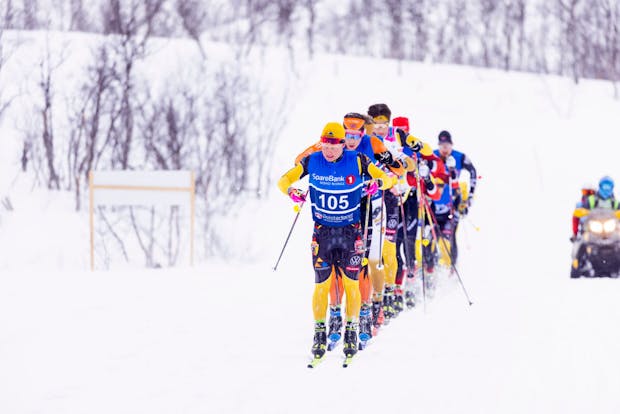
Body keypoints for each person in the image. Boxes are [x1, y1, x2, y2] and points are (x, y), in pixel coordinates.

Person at [278, 121, 395, 360]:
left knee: (351, 284)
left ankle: (351, 329)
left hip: (351, 234)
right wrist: (292, 193)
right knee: (321, 284)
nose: (329, 150)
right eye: (325, 144)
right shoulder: (312, 161)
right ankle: (320, 331)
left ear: (343, 144)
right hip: (322, 233)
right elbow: (283, 181)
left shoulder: (359, 160)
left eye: (334, 145)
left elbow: (387, 179)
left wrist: (379, 182)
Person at [432, 130, 477, 267]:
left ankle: (451, 267)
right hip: (434, 206)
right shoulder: (432, 156)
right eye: (441, 145)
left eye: (447, 145)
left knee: (448, 237)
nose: (444, 149)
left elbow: (473, 172)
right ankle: (431, 267)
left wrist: (470, 195)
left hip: (452, 205)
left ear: (451, 145)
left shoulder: (460, 157)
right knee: (431, 239)